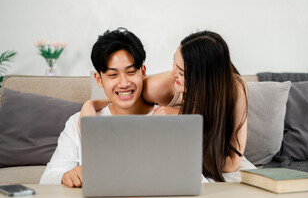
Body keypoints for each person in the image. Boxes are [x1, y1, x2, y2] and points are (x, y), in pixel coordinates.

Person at [80, 30, 255, 182]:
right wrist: (90, 104)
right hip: (195, 154)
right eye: (173, 64)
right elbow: (124, 93)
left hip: (211, 154)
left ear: (202, 79)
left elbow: (232, 163)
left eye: (181, 71)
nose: (173, 74)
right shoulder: (158, 87)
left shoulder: (236, 88)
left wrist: (179, 116)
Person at [40, 28, 154, 187]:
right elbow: (47, 178)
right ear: (98, 79)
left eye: (131, 72)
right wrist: (66, 176)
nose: (124, 83)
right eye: (113, 75)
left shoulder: (167, 117)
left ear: (143, 72)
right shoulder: (78, 122)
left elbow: (198, 178)